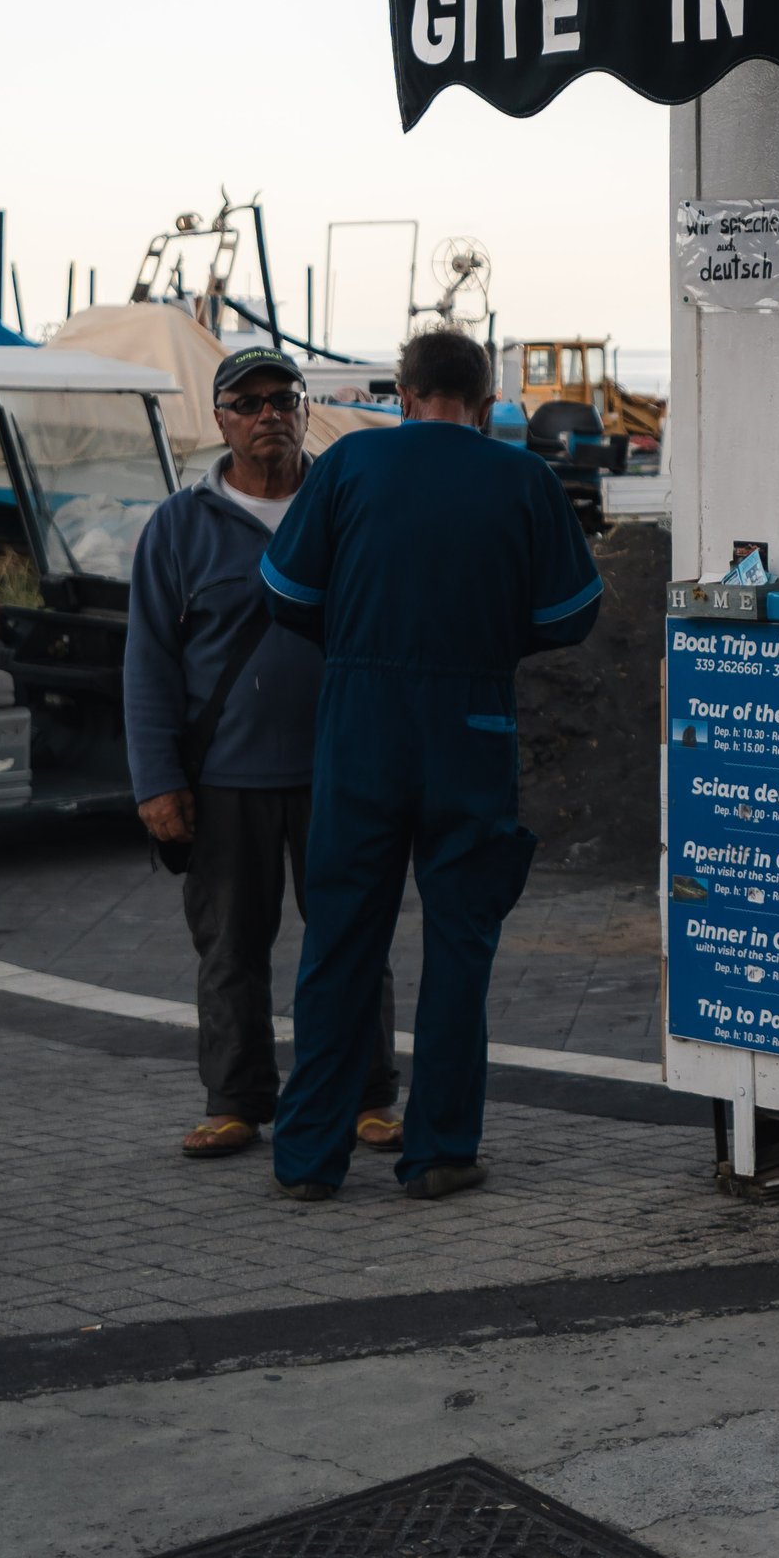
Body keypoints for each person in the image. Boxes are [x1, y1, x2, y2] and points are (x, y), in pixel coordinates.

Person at [259, 326, 600, 1203]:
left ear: (402, 397)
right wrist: (488, 641)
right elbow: (572, 612)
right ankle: (441, 1150)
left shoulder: (350, 465)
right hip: (472, 726)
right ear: (487, 405)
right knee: (460, 944)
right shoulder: (523, 479)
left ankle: (308, 1160)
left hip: (361, 723)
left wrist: (358, 636)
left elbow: (285, 591)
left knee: (340, 941)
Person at [125, 344, 399, 1161]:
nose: (268, 414)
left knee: (352, 938)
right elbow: (147, 663)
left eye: (283, 398)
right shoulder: (178, 526)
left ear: (306, 408)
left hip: (339, 772)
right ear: (221, 421)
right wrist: (156, 783)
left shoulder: (348, 507)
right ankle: (235, 1101)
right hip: (223, 780)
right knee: (230, 950)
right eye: (247, 403)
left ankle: (366, 1094)